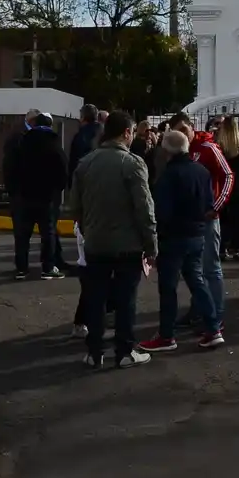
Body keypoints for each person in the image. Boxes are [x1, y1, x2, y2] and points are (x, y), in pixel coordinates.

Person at [73, 110, 157, 369]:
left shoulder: (85, 163)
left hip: (96, 242)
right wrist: (151, 244)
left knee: (96, 299)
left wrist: (89, 231)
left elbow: (75, 206)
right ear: (127, 133)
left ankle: (94, 352)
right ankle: (124, 351)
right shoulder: (132, 164)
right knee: (125, 300)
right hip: (127, 245)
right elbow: (144, 208)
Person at [139, 131, 225, 353]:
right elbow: (209, 203)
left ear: (167, 151)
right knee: (197, 281)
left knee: (168, 288)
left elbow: (161, 212)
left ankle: (167, 335)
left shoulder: (169, 175)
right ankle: (213, 328)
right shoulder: (201, 172)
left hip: (173, 237)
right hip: (197, 233)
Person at [171, 113, 234, 326]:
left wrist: (216, 206)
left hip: (207, 218)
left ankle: (217, 314)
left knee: (210, 267)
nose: (181, 134)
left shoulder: (208, 148)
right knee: (193, 270)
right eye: (177, 131)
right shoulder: (181, 151)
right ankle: (199, 310)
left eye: (183, 129)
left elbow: (228, 175)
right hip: (189, 220)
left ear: (191, 127)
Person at [11, 112, 68, 279]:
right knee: (48, 232)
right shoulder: (53, 142)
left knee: (23, 234)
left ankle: (21, 268)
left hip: (26, 194)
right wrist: (58, 189)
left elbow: (13, 167)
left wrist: (17, 189)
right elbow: (63, 169)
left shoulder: (23, 142)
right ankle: (48, 267)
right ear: (50, 125)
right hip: (47, 196)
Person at [215, 117, 239, 260]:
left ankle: (222, 247)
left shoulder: (219, 144)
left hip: (224, 181)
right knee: (238, 219)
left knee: (223, 218)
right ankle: (236, 248)